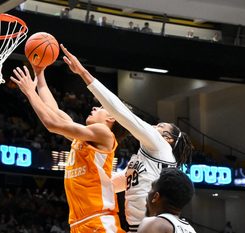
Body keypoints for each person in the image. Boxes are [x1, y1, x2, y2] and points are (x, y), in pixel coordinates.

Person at [60, 44, 194, 232]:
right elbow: (108, 185)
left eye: (160, 126)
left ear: (169, 139)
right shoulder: (144, 161)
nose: (154, 126)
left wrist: (84, 73)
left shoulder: (161, 148)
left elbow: (122, 113)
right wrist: (82, 167)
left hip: (159, 226)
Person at [10, 66, 126, 233]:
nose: (94, 108)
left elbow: (52, 124)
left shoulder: (104, 134)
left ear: (111, 118)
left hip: (98, 221)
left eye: (100, 108)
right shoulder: (85, 137)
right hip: (79, 223)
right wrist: (39, 72)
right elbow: (54, 111)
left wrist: (30, 92)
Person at [137, 167, 196, 233]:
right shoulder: (191, 230)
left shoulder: (153, 224)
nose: (148, 193)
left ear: (155, 197)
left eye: (151, 188)